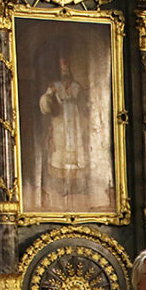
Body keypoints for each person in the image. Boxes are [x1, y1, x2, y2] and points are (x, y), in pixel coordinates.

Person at [39, 57, 88, 200]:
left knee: (76, 153)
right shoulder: (54, 86)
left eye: (67, 69)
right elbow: (45, 103)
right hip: (60, 123)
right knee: (59, 153)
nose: (65, 72)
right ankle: (60, 186)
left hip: (75, 122)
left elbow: (85, 103)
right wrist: (49, 97)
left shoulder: (77, 86)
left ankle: (75, 186)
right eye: (62, 69)